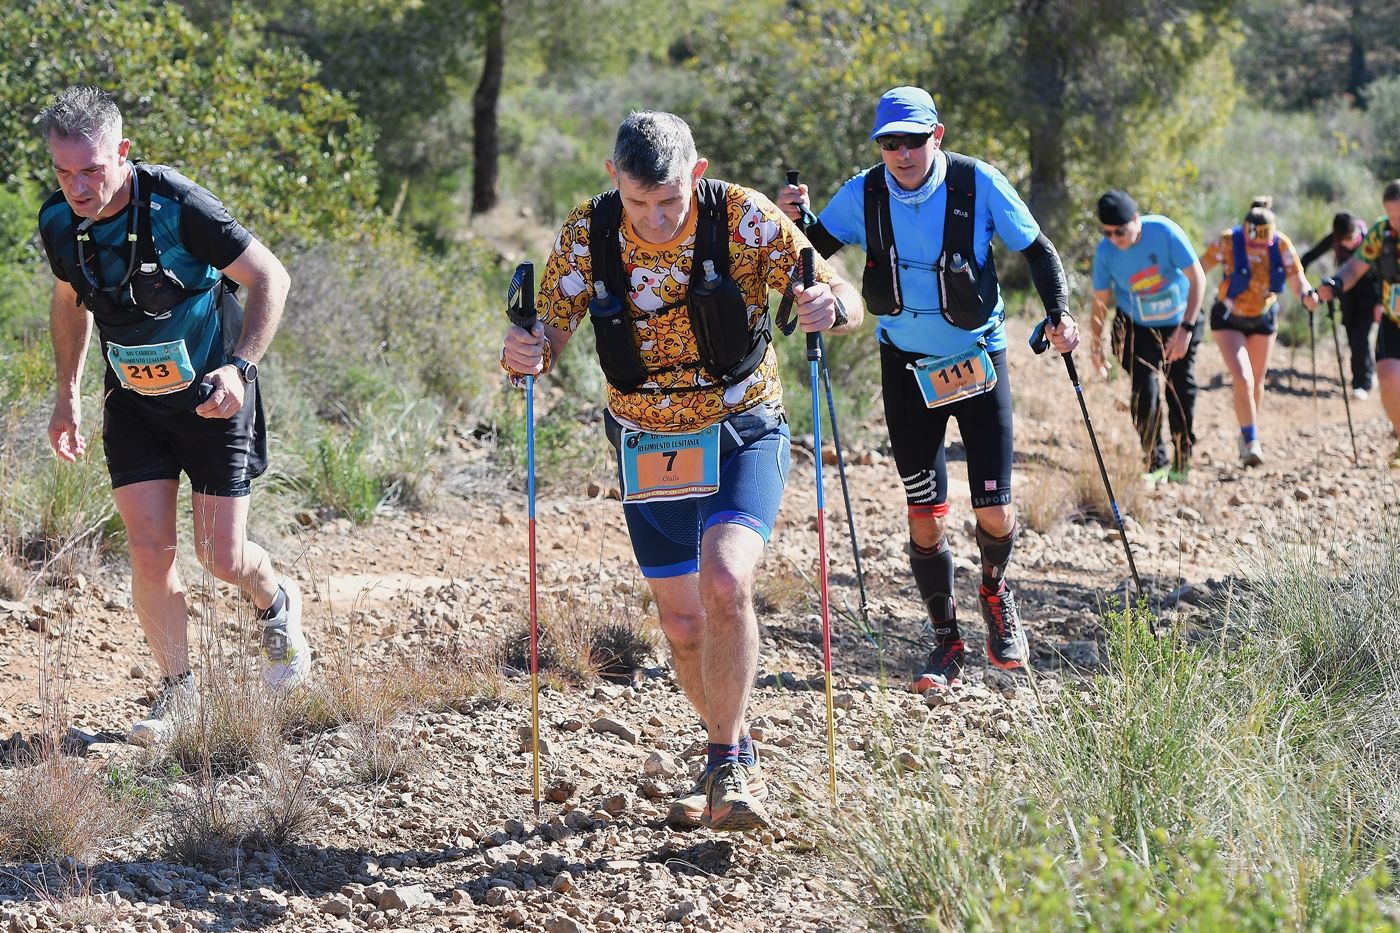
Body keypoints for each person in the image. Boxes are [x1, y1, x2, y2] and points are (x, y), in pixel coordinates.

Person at [501, 111, 862, 832]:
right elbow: (552, 331)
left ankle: (727, 762)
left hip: (741, 427)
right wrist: (527, 352)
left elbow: (841, 298)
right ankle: (733, 751)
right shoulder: (590, 231)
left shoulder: (742, 218)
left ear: (695, 175)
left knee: (725, 578)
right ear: (615, 182)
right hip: (646, 443)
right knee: (681, 623)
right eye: (640, 204)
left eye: (670, 200)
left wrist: (830, 305)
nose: (658, 218)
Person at [777, 86, 1079, 695]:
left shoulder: (977, 183)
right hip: (906, 367)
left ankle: (994, 592)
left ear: (935, 135)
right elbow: (815, 250)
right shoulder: (864, 192)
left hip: (977, 359)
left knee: (994, 509)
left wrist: (1059, 313)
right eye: (890, 142)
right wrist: (793, 223)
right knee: (924, 516)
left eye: (913, 140)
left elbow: (1039, 250)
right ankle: (946, 640)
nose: (902, 153)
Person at [36, 86, 310, 746]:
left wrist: (240, 368)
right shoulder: (59, 223)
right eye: (64, 170)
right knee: (149, 548)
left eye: (92, 169)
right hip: (131, 401)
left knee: (221, 556)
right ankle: (179, 692)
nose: (78, 185)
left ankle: (276, 605)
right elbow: (70, 301)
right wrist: (67, 392)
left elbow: (270, 276)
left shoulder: (177, 205)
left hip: (214, 396)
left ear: (122, 152)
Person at [1089, 190, 1207, 485]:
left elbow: (1198, 279)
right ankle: (1155, 460)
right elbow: (1100, 301)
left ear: (1136, 220)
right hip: (1136, 324)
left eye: (1121, 231)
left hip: (1179, 319)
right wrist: (1096, 347)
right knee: (1144, 392)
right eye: (1108, 232)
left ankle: (1182, 458)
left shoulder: (1164, 232)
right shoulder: (1106, 252)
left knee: (1179, 388)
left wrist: (1185, 331)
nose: (1115, 238)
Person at [1198, 197, 1319, 467]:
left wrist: (1307, 295)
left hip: (1263, 318)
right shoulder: (1228, 241)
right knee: (1242, 378)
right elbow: (1200, 267)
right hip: (1229, 317)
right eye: (1253, 243)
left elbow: (1296, 277)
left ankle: (1247, 432)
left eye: (1262, 243)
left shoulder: (1282, 244)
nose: (1257, 247)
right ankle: (1252, 440)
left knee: (1256, 380)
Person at [1316, 179, 1400, 468]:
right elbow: (1357, 265)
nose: (1395, 222)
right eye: (1391, 216)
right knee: (1388, 377)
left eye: (1399, 215)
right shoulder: (1382, 232)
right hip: (1394, 318)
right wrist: (1336, 283)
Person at [1301, 211, 1382, 399]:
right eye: (1345, 239)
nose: (1350, 242)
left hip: (1370, 294)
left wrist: (1379, 302)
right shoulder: (1335, 240)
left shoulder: (1370, 240)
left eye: (1352, 237)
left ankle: (1362, 382)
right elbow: (1310, 255)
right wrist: (1300, 277)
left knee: (1361, 337)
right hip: (1346, 293)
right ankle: (1365, 373)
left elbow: (1384, 273)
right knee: (1353, 335)